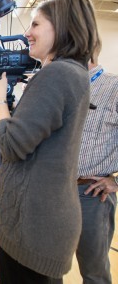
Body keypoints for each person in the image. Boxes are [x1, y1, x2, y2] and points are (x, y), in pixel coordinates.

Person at [0, 0, 101, 284]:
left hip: (33, 228)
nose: (27, 33)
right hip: (42, 224)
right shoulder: (72, 73)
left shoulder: (58, 74)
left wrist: (0, 100)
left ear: (61, 28)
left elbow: (11, 145)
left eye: (36, 24)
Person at [75, 48, 118, 284]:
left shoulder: (114, 87)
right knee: (49, 266)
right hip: (54, 191)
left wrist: (116, 182)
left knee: (93, 272)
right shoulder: (66, 89)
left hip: (91, 195)